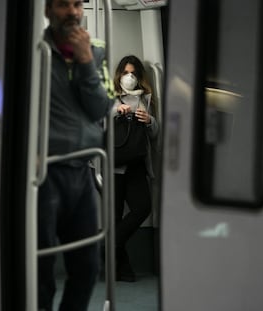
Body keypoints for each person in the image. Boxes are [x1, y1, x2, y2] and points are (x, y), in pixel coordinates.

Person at [38, 0, 114, 310]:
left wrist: (85, 61)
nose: (72, 12)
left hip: (82, 169)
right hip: (42, 172)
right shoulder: (33, 51)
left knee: (87, 266)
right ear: (46, 11)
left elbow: (102, 107)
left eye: (77, 3)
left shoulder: (96, 50)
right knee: (39, 267)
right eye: (62, 5)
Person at [112, 55, 159, 282]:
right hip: (113, 165)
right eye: (125, 72)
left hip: (137, 164)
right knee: (113, 215)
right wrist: (115, 110)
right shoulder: (108, 96)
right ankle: (123, 269)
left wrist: (149, 120)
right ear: (119, 74)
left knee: (143, 207)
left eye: (133, 73)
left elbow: (155, 134)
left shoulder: (146, 100)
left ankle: (107, 245)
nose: (129, 77)